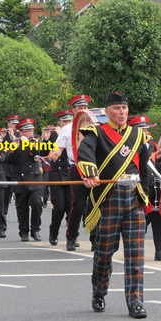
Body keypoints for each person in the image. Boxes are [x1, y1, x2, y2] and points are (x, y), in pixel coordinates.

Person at [77, 91, 149, 318]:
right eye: (117, 108)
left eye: (124, 108)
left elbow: (144, 169)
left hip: (133, 199)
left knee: (136, 255)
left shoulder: (138, 136)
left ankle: (135, 301)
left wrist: (145, 195)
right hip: (109, 200)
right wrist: (89, 172)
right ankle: (99, 291)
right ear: (106, 112)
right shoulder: (95, 133)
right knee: (104, 253)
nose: (122, 112)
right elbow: (85, 152)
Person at [49, 94, 92, 251]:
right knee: (78, 205)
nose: (83, 110)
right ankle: (71, 237)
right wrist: (53, 154)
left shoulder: (96, 125)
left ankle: (95, 238)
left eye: (85, 107)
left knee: (94, 205)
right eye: (80, 108)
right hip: (76, 167)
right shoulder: (67, 129)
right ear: (74, 111)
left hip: (94, 168)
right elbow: (58, 149)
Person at [129, 115, 161, 262]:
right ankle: (134, 248)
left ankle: (160, 250)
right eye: (141, 129)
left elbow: (154, 166)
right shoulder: (129, 145)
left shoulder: (151, 144)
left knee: (159, 218)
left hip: (153, 185)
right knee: (141, 220)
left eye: (145, 128)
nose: (145, 131)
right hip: (139, 186)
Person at [6, 118, 44, 242]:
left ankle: (35, 230)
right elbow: (9, 160)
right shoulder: (15, 143)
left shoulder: (35, 142)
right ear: (21, 132)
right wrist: (15, 148)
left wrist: (27, 143)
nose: (30, 133)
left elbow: (38, 153)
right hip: (20, 177)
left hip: (34, 178)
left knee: (37, 203)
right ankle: (24, 231)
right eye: (28, 131)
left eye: (31, 130)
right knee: (22, 207)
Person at [45, 110, 73, 246]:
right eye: (64, 122)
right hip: (57, 174)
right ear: (60, 123)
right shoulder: (54, 135)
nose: (67, 124)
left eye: (69, 121)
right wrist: (52, 135)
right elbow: (45, 152)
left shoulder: (75, 133)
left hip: (71, 173)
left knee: (71, 207)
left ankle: (71, 237)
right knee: (59, 207)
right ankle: (54, 231)